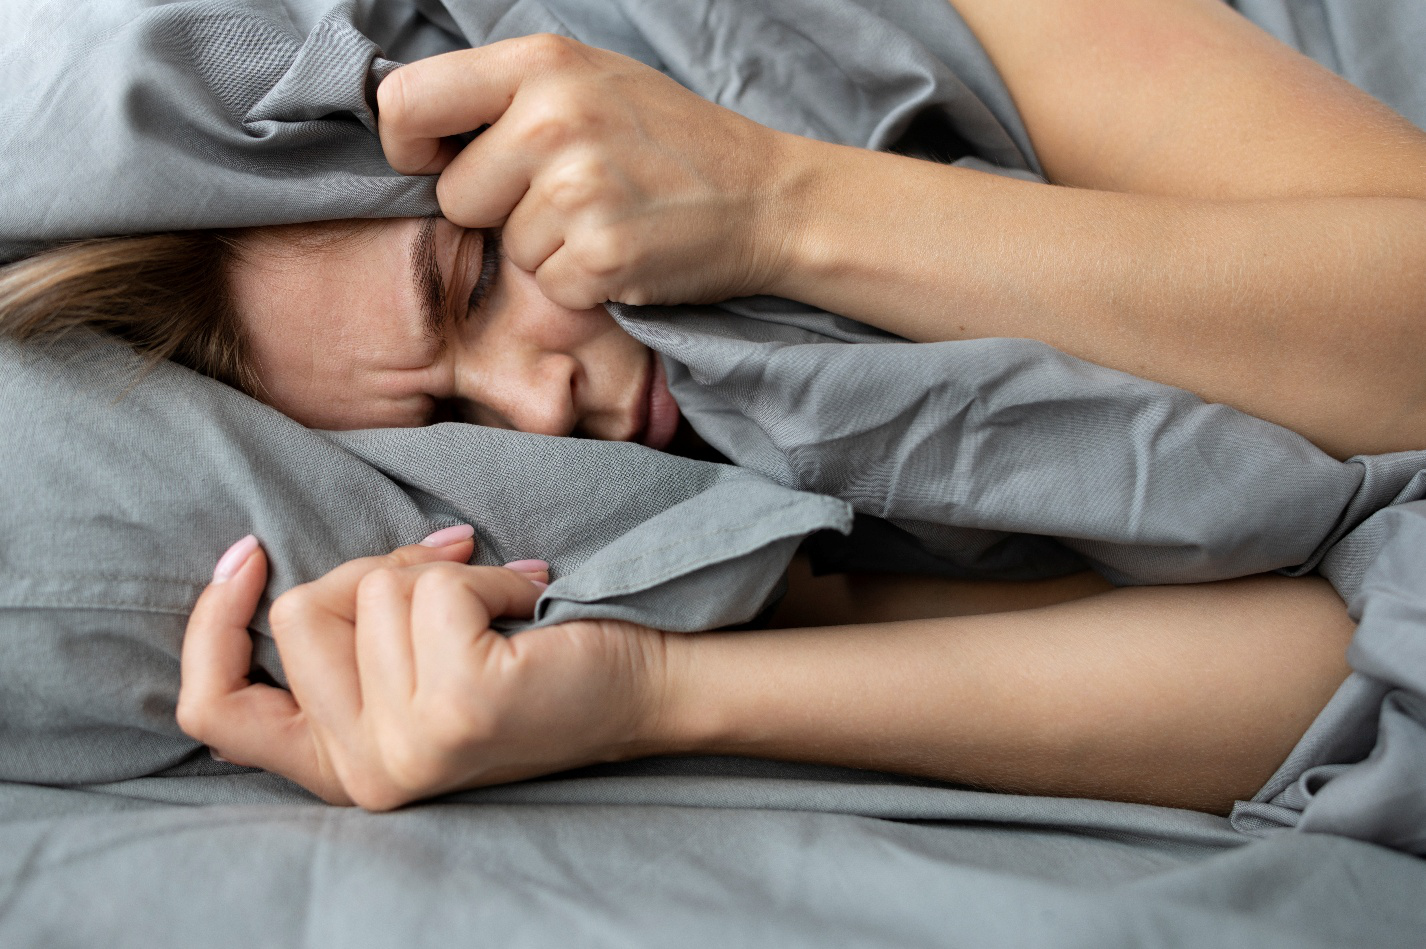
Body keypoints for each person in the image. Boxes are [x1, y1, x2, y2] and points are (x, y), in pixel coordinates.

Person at [5, 0, 1421, 814]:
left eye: (470, 279)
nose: (533, 407)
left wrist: (776, 206)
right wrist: (655, 692)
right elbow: (1339, 664)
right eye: (443, 421)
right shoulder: (697, 534)